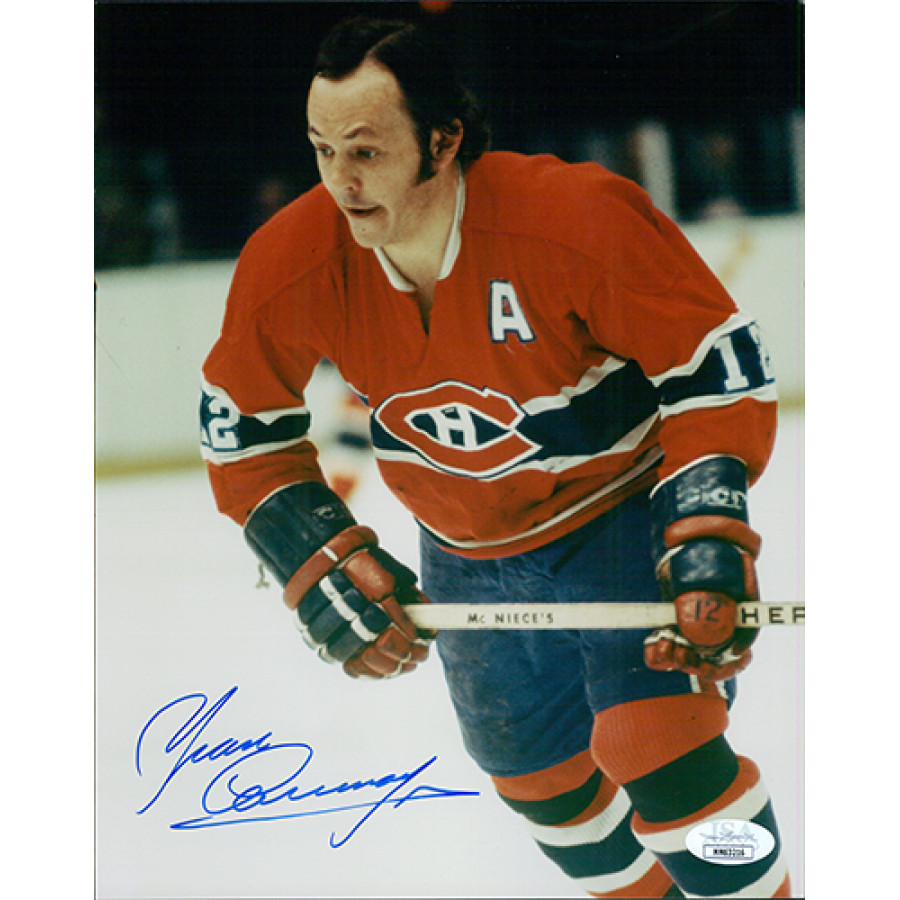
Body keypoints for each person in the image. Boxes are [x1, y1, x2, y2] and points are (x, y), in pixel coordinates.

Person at [200, 16, 790, 899]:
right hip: (465, 552)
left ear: (444, 141)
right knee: (548, 792)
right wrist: (311, 554)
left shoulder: (574, 216)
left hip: (615, 520)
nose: (340, 182)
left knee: (658, 750)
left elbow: (713, 369)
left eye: (366, 151)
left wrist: (706, 525)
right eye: (323, 150)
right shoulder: (292, 258)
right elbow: (241, 431)